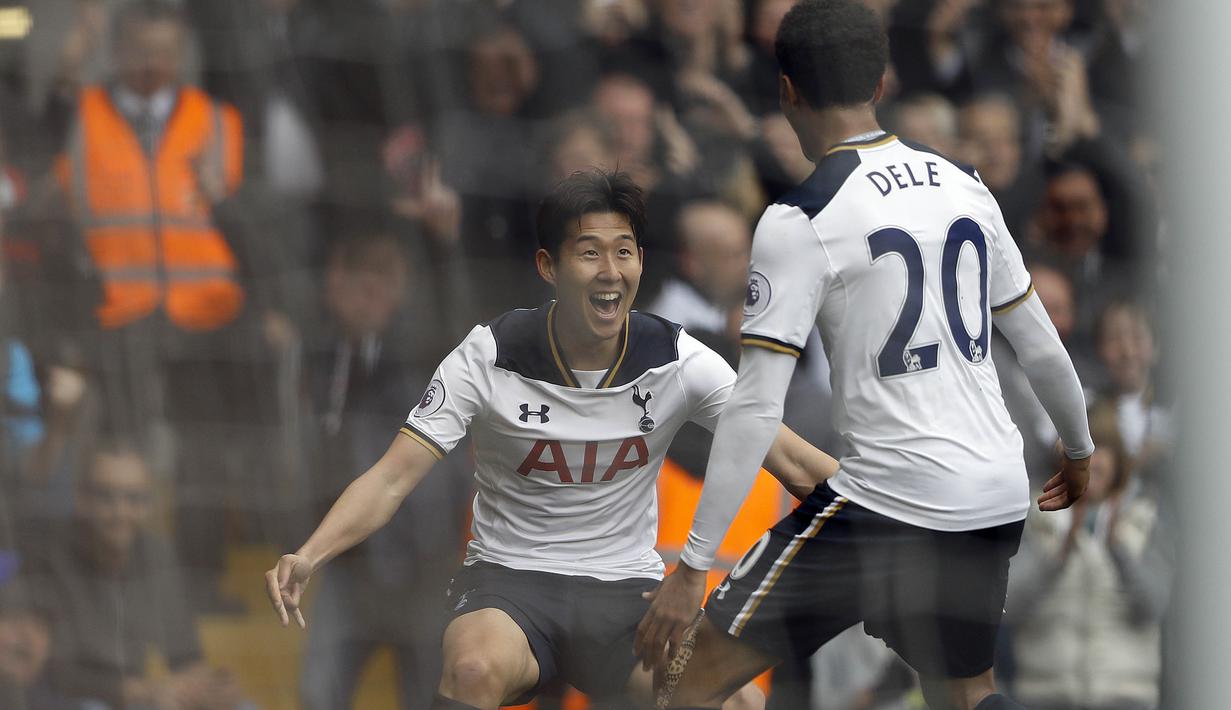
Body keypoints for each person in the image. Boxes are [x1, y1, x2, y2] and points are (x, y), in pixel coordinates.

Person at [634, 3, 1095, 709]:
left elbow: (757, 406)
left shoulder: (802, 217)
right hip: (988, 495)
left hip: (886, 502)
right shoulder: (964, 186)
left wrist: (693, 565)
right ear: (881, 82)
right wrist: (1079, 447)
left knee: (685, 681)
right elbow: (1037, 342)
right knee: (962, 692)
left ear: (785, 89)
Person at [265, 169, 837, 710]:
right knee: (473, 669)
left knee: (739, 697)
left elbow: (797, 463)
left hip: (625, 600)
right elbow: (391, 479)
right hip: (510, 588)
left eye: (624, 251)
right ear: (549, 266)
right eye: (590, 252)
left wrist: (905, 520)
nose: (610, 270)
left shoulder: (678, 359)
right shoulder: (489, 353)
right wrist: (310, 553)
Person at [27, 436, 250, 710]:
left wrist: (208, 686)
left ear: (147, 505)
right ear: (81, 499)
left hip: (134, 697)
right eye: (106, 496)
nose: (120, 511)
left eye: (133, 498)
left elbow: (184, 653)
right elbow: (52, 670)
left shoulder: (157, 554)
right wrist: (142, 692)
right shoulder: (52, 558)